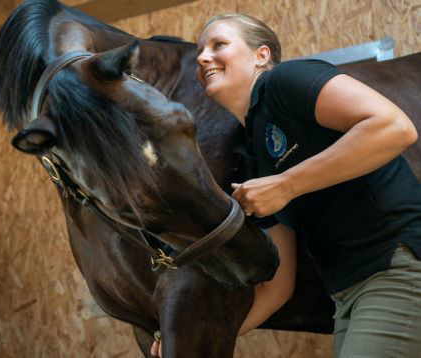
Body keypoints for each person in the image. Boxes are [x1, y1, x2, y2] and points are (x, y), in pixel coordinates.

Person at [151, 13, 421, 358]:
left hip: (397, 268)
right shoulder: (251, 156)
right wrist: (189, 342)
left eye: (219, 44)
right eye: (201, 50)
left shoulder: (285, 81)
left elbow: (394, 127)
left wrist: (286, 184)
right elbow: (278, 288)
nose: (203, 57)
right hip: (347, 295)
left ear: (261, 56)